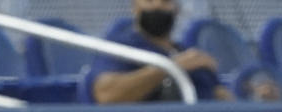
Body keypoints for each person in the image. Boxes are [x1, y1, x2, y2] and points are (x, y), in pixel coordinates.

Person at [91, 0, 233, 103]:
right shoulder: (121, 48)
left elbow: (221, 97)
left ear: (176, 9)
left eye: (165, 1)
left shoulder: (190, 55)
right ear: (135, 6)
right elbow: (106, 95)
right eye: (149, 1)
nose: (157, 5)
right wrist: (173, 66)